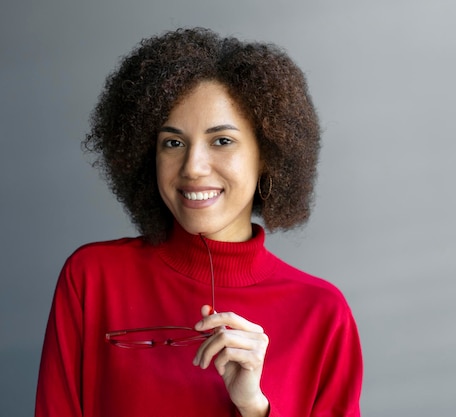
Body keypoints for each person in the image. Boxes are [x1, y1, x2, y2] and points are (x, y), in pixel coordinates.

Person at [35, 28, 362, 417]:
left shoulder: (322, 314)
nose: (192, 167)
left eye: (222, 141)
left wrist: (255, 408)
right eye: (173, 143)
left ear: (267, 156)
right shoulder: (92, 278)